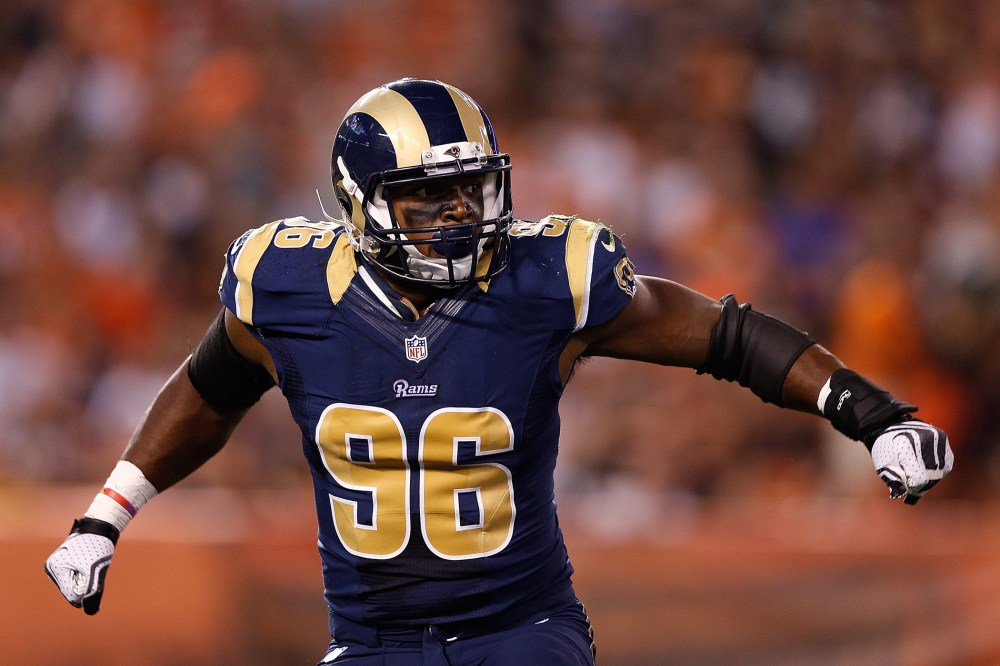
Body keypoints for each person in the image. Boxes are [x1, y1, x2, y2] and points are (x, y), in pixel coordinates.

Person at [44, 78, 954, 665]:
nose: (456, 213)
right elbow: (207, 393)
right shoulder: (285, 287)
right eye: (425, 196)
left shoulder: (544, 278)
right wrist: (104, 518)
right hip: (372, 642)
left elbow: (724, 336)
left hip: (522, 632)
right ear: (361, 206)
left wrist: (874, 414)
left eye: (467, 187)